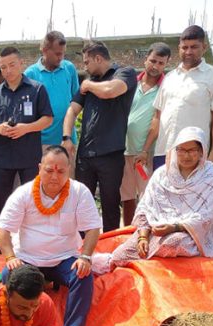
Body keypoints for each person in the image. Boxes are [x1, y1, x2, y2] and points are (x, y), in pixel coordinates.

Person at [0, 145, 102, 326]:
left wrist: (86, 256)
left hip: (64, 258)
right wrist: (10, 257)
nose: (55, 176)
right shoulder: (24, 193)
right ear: (39, 168)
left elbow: (93, 228)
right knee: (9, 274)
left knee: (83, 275)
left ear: (69, 171)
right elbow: (2, 230)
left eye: (61, 171)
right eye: (49, 170)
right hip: (28, 258)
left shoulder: (79, 192)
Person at [92, 127, 213, 275]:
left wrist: (173, 227)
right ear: (175, 150)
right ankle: (112, 262)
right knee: (120, 255)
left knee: (172, 243)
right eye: (181, 150)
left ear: (202, 151)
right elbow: (146, 208)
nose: (186, 156)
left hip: (190, 234)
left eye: (192, 150)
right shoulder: (162, 174)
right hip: (155, 231)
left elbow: (206, 216)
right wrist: (143, 237)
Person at [0, 46, 53, 253]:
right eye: (3, 67)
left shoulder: (36, 89)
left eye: (12, 65)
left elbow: (48, 118)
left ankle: (31, 241)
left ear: (21, 64)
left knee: (33, 199)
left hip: (28, 155)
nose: (8, 70)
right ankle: (0, 243)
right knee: (1, 202)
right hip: (1, 157)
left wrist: (26, 128)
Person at [62, 41, 137, 232]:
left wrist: (87, 84)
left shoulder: (124, 73)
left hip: (111, 153)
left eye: (87, 62)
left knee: (110, 205)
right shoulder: (90, 82)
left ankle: (109, 249)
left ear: (98, 58)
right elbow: (72, 110)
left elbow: (110, 91)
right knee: (81, 203)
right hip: (86, 154)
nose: (85, 66)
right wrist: (66, 137)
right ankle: (79, 246)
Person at [151, 25, 213, 170]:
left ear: (204, 47)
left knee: (191, 193)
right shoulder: (169, 77)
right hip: (163, 152)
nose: (188, 52)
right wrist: (145, 149)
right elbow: (158, 116)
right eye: (184, 47)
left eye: (194, 47)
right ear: (179, 48)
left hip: (192, 155)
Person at [121, 42, 171, 226]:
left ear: (166, 64)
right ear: (145, 60)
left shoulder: (165, 88)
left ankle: (142, 235)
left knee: (146, 197)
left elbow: (157, 120)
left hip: (146, 153)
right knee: (126, 196)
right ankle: (126, 233)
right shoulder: (130, 83)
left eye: (160, 63)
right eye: (153, 61)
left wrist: (144, 149)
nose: (155, 66)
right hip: (124, 150)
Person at [24, 31, 79, 154]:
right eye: (57, 54)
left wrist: (68, 135)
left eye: (63, 53)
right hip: (40, 142)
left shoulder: (69, 68)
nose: (61, 57)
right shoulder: (30, 74)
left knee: (68, 174)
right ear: (44, 50)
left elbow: (76, 100)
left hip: (67, 140)